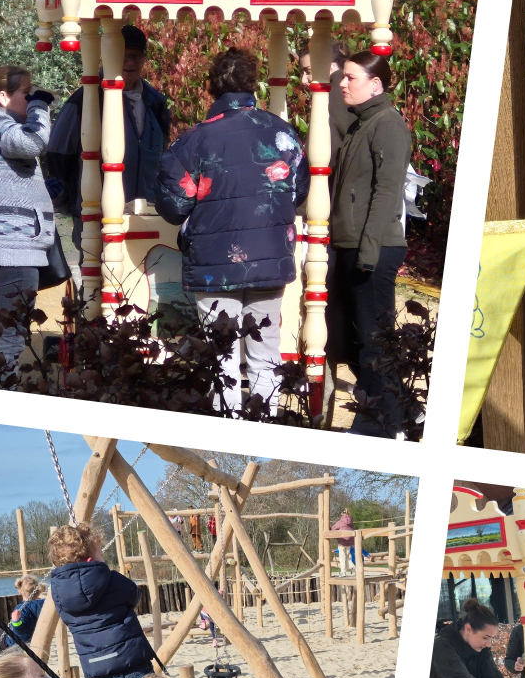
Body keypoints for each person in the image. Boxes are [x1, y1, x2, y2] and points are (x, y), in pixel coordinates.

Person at [155, 47, 309, 415]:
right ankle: (265, 425)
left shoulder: (193, 141)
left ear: (211, 87)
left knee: (221, 357)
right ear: (253, 84)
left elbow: (174, 207)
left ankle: (227, 423)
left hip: (213, 264)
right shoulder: (283, 134)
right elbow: (299, 191)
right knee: (265, 349)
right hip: (270, 256)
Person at [328, 51, 413, 437]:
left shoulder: (388, 125)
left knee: (374, 341)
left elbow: (387, 192)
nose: (342, 84)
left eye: (350, 78)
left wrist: (369, 251)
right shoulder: (361, 123)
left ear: (375, 84)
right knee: (350, 338)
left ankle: (380, 426)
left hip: (374, 250)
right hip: (350, 247)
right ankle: (401, 413)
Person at [0, 66, 67, 377]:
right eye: (26, 92)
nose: (31, 97)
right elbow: (34, 143)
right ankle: (3, 387)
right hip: (11, 244)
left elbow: (6, 173)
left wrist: (39, 189)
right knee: (11, 330)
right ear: (4, 96)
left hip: (10, 240)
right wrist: (41, 106)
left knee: (7, 324)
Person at [46, 24, 171, 254]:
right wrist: (79, 199)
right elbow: (58, 154)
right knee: (99, 282)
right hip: (97, 215)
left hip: (145, 213)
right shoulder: (86, 99)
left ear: (144, 59)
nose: (130, 62)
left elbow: (161, 154)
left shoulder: (156, 103)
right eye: (123, 55)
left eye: (136, 56)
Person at [48, 523, 159, 678]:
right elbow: (134, 595)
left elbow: (66, 617)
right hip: (131, 657)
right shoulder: (112, 579)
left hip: (98, 665)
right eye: (101, 553)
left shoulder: (57, 592)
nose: (103, 558)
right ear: (91, 560)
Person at [299, 41, 354, 164]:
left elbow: (332, 148)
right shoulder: (345, 92)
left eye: (308, 71)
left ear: (331, 67)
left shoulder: (335, 95)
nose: (303, 80)